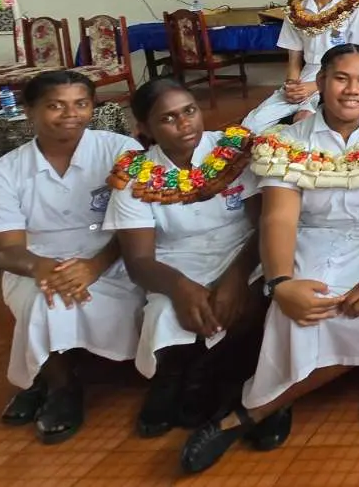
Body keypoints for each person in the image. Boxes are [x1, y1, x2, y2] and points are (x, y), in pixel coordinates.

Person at [180, 46, 359, 472]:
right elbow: (279, 218)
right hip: (314, 238)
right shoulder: (285, 141)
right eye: (341, 78)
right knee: (294, 312)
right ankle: (278, 398)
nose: (353, 90)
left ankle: (249, 411)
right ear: (321, 83)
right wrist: (280, 282)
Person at [0, 71, 143, 445]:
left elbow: (139, 226)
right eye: (55, 105)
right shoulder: (4, 173)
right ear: (30, 110)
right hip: (36, 261)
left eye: (81, 104)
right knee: (45, 299)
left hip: (113, 255)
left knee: (108, 294)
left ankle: (40, 380)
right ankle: (61, 386)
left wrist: (94, 266)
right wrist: (43, 267)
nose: (71, 114)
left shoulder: (119, 151)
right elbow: (5, 249)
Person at [107, 79, 262, 437]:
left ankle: (204, 377)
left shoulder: (233, 151)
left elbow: (264, 225)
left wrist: (237, 277)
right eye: (168, 118)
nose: (185, 123)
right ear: (144, 128)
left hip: (242, 252)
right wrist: (180, 287)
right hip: (175, 262)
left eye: (189, 111)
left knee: (246, 305)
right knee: (166, 310)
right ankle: (173, 377)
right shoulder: (135, 176)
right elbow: (139, 260)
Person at [242, 0, 359, 132]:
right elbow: (294, 57)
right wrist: (292, 86)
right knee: (251, 124)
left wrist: (315, 86)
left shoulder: (353, 9)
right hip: (305, 75)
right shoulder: (296, 10)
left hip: (340, 76)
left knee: (305, 120)